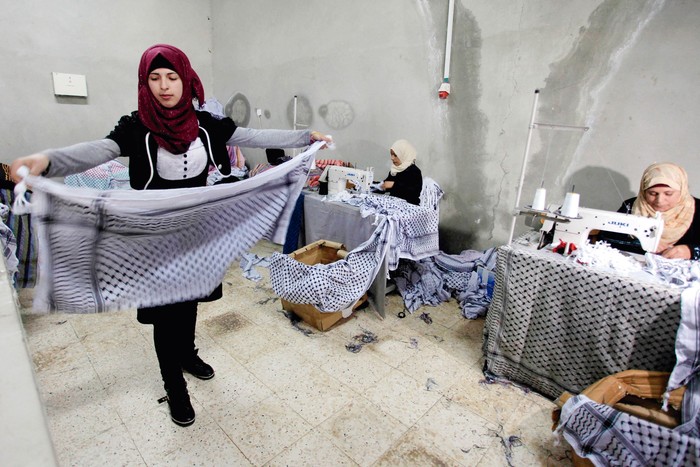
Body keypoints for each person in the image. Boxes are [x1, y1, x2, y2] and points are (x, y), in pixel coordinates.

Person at [10, 44, 331, 427]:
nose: (164, 85)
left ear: (186, 78)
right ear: (145, 83)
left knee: (191, 298)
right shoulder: (136, 126)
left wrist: (304, 138)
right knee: (165, 313)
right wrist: (47, 161)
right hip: (155, 236)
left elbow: (252, 134)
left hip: (195, 232)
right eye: (154, 78)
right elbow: (99, 150)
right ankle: (174, 385)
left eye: (172, 76)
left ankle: (187, 354)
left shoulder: (205, 123)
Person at [599, 162, 700, 260]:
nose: (659, 200)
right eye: (652, 193)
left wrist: (691, 251)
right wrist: (639, 243)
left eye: (668, 194)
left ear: (682, 191)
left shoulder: (698, 209)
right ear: (643, 191)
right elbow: (606, 237)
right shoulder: (631, 206)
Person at [378, 139, 423, 205]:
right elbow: (387, 184)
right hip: (395, 203)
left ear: (404, 155)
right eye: (391, 155)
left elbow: (414, 192)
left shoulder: (415, 171)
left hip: (409, 206)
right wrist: (378, 186)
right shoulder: (395, 170)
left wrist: (393, 185)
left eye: (395, 155)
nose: (392, 158)